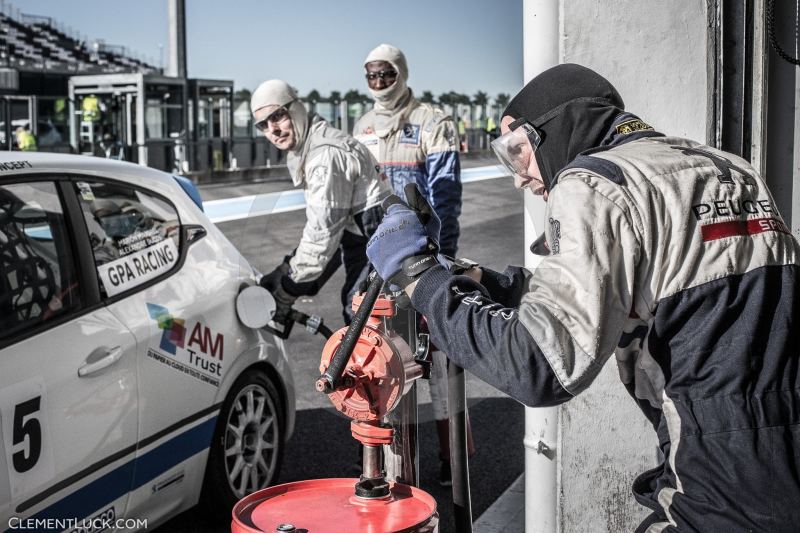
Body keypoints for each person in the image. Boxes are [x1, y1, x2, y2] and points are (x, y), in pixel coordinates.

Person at [366, 63, 800, 531]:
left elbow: (540, 364)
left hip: (719, 481)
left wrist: (420, 274)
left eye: (517, 152)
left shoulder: (594, 182)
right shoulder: (726, 167)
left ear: (557, 130)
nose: (519, 178)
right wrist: (481, 281)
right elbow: (647, 288)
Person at [354, 43, 470, 486]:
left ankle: (452, 455)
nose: (379, 82)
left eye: (386, 74)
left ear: (401, 73)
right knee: (377, 361)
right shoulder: (363, 125)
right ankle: (382, 461)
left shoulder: (431, 120)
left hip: (426, 255)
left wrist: (442, 259)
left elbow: (446, 195)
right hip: (380, 258)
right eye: (371, 75)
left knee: (438, 362)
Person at [251, 79, 390, 325]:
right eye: (263, 124)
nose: (272, 130)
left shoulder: (323, 157)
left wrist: (286, 289)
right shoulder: (316, 144)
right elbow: (333, 237)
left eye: (278, 116)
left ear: (295, 109)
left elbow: (322, 240)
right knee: (361, 312)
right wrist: (288, 270)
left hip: (380, 242)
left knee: (363, 316)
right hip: (370, 237)